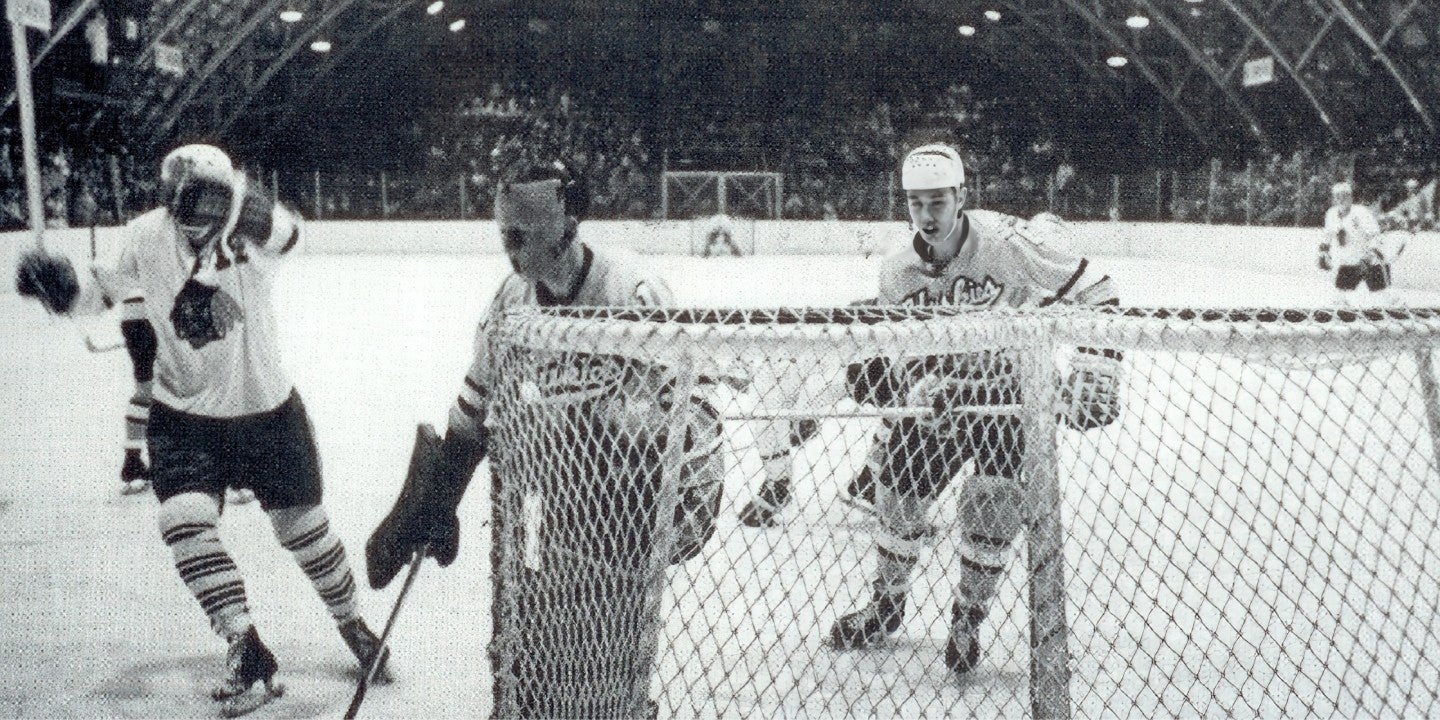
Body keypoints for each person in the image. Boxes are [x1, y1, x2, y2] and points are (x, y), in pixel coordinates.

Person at [15, 143, 386, 717]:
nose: (194, 223)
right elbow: (103, 294)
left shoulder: (247, 236)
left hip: (266, 411)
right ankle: (244, 642)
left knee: (306, 533)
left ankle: (353, 623)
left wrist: (242, 203)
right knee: (182, 521)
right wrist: (63, 292)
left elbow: (290, 236)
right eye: (184, 207)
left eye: (207, 205)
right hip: (183, 416)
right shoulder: (145, 234)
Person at [366, 158, 723, 718]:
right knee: (535, 641)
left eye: (521, 236)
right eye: (504, 235)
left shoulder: (629, 289)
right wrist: (440, 500)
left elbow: (688, 408)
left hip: (632, 498)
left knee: (603, 652)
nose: (509, 250)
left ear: (566, 224)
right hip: (552, 497)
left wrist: (677, 494)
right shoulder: (512, 300)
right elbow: (475, 405)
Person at [827, 143, 1122, 677]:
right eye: (915, 203)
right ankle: (888, 605)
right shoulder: (897, 272)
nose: (926, 215)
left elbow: (1099, 292)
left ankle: (968, 616)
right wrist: (911, 388)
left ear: (962, 196)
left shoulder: (1008, 243)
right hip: (943, 402)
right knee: (895, 500)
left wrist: (1096, 371)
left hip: (1008, 397)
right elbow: (905, 356)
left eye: (937, 202)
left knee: (993, 508)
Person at [1318, 181, 1391, 305]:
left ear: (1351, 197)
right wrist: (1323, 253)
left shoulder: (1361, 212)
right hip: (1349, 261)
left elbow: (1375, 236)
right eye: (1337, 196)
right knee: (1339, 299)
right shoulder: (1331, 214)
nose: (1341, 199)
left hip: (1369, 262)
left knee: (1383, 297)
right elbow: (1327, 235)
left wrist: (1370, 255)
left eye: (1345, 195)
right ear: (1334, 198)